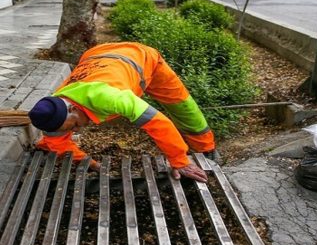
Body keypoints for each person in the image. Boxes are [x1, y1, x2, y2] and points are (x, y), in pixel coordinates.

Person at [28, 42, 215, 183]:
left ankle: (206, 149)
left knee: (181, 105)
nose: (77, 131)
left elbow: (159, 123)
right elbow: (57, 141)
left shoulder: (110, 98)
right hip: (96, 55)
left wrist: (179, 160)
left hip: (141, 57)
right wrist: (89, 163)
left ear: (73, 108)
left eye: (75, 125)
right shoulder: (53, 109)